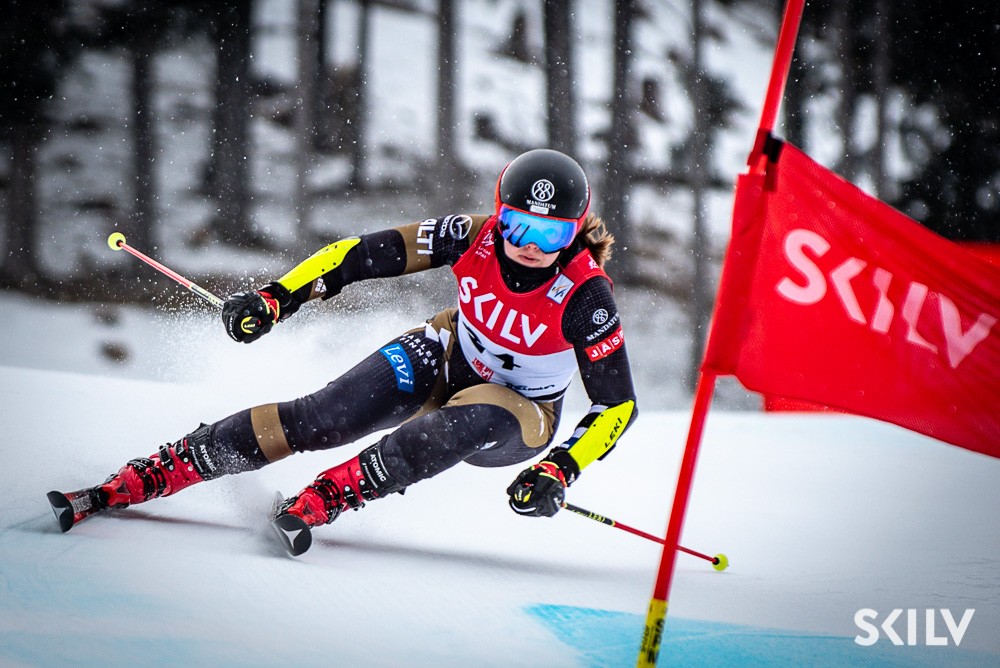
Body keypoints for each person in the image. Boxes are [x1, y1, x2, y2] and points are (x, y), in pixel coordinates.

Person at [49, 149, 638, 555]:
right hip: (450, 354)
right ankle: (147, 475)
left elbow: (617, 406)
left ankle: (325, 498)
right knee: (325, 416)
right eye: (518, 227)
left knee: (456, 424)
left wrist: (561, 467)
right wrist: (277, 297)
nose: (531, 246)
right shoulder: (470, 235)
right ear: (499, 215)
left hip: (521, 413)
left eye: (551, 234)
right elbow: (357, 254)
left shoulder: (587, 297)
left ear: (575, 232)